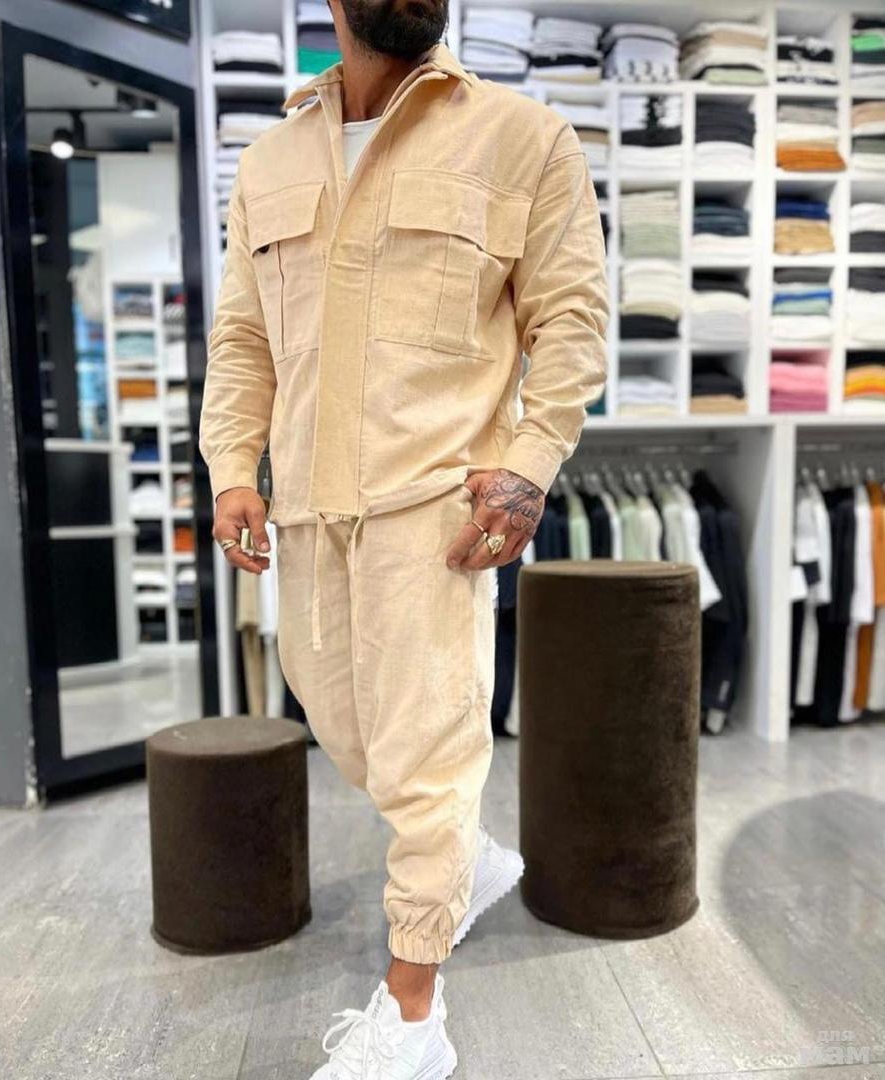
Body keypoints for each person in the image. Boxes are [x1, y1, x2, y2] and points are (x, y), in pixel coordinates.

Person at [198, 0, 608, 1072]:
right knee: (344, 723)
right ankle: (463, 858)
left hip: (436, 511)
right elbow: (243, 335)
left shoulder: (522, 138)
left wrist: (528, 466)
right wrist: (233, 468)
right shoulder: (271, 160)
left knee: (426, 757)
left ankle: (415, 1015)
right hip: (305, 510)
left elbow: (569, 319)